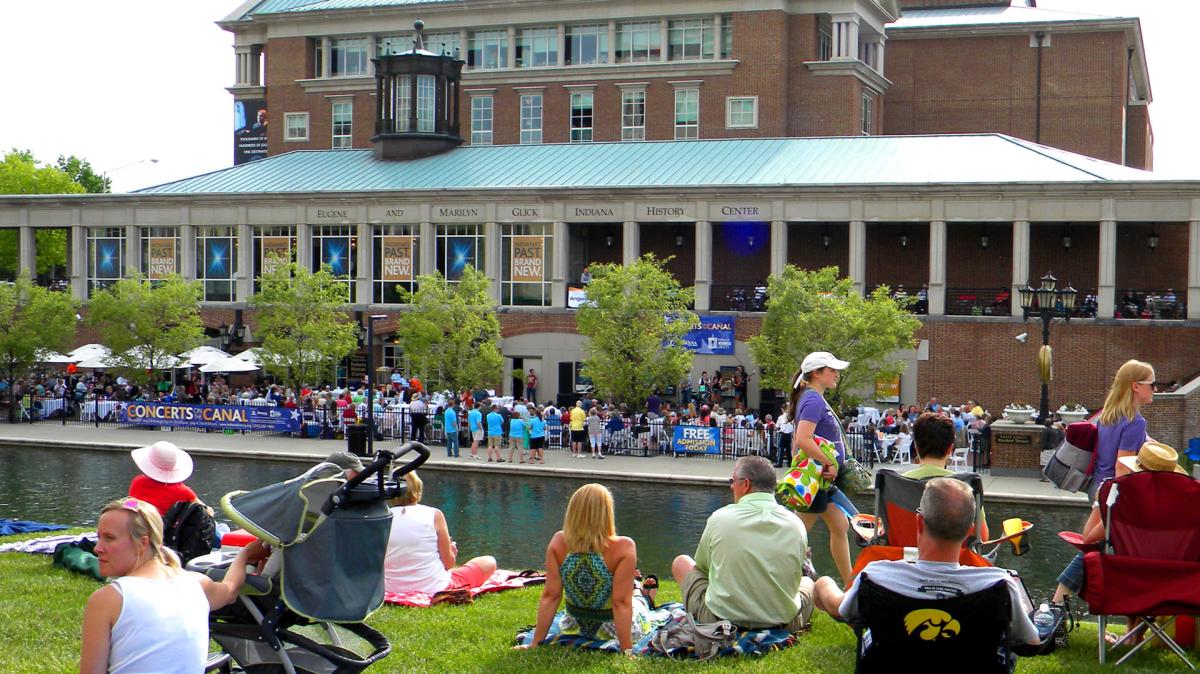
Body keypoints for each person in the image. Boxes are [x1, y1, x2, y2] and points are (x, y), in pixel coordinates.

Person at [812, 478, 1039, 653]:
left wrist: (823, 584)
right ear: (970, 531)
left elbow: (841, 610)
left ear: (919, 522)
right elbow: (1031, 640)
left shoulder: (875, 576)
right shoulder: (998, 585)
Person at [80, 498, 259, 674]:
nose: (97, 548)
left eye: (109, 538)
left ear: (142, 543)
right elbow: (230, 590)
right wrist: (245, 555)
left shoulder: (109, 599)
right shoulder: (196, 583)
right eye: (99, 537)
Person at [1049, 441, 1188, 634]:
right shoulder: (1183, 507)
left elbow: (1088, 538)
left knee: (1092, 551)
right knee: (1142, 562)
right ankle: (1134, 636)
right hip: (1177, 585)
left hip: (1126, 582)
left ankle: (1056, 613)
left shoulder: (1126, 502)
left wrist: (1099, 503)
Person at [671, 456, 814, 632]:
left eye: (733, 480)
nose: (731, 486)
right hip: (783, 623)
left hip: (721, 621)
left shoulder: (719, 518)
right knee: (808, 582)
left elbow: (703, 568)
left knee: (681, 563)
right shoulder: (796, 524)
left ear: (745, 484)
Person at [516, 483, 652, 654]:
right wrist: (627, 651)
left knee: (631, 596)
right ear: (606, 512)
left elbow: (551, 596)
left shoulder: (558, 542)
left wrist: (535, 642)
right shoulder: (623, 546)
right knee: (638, 602)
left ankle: (638, 586)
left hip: (573, 627)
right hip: (612, 631)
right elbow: (621, 603)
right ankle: (642, 591)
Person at [790, 351, 858, 585]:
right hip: (817, 479)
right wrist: (829, 462)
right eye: (832, 370)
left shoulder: (813, 398)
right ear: (817, 373)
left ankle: (849, 583)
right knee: (795, 535)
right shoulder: (813, 400)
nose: (837, 374)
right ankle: (777, 576)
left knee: (840, 526)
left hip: (821, 479)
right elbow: (803, 439)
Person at [383, 472, 496, 595]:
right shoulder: (434, 515)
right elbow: (448, 564)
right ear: (417, 488)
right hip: (435, 587)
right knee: (489, 562)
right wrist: (452, 552)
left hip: (391, 588)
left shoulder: (381, 518)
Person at [903, 413, 989, 540]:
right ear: (950, 449)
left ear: (915, 447)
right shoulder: (966, 484)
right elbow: (982, 536)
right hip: (956, 558)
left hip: (904, 556)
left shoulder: (896, 482)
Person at [1091, 359, 1155, 499]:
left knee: (1095, 522)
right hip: (1113, 492)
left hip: (1097, 485)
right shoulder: (1135, 422)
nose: (1155, 389)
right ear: (1136, 386)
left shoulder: (1107, 415)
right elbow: (1122, 467)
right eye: (1152, 384)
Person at [127, 441, 208, 517]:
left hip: (142, 527)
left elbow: (132, 504)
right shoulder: (183, 491)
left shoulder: (138, 482)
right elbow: (207, 511)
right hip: (168, 530)